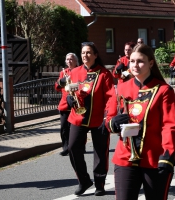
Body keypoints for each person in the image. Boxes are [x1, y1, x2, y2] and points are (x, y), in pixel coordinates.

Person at [106, 44, 175, 200]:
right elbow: (108, 119)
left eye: (140, 61)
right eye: (132, 61)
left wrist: (167, 155)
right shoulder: (120, 89)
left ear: (151, 63)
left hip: (154, 158)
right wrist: (113, 123)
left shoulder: (164, 90)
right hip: (125, 158)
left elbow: (169, 125)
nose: (135, 65)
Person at [61, 42, 115, 196]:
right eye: (83, 53)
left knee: (100, 151)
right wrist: (69, 100)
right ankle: (84, 180)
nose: (85, 55)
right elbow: (67, 90)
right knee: (72, 148)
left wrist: (109, 117)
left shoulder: (104, 74)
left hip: (99, 119)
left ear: (95, 55)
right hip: (78, 117)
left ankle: (100, 183)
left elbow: (111, 97)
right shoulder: (75, 72)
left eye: (89, 52)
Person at [55, 53, 79, 156]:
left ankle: (79, 146)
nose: (69, 61)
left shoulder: (80, 71)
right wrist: (61, 81)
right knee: (64, 127)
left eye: (71, 59)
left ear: (76, 61)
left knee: (77, 127)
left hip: (77, 103)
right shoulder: (63, 72)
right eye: (67, 59)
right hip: (65, 104)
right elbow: (57, 87)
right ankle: (66, 147)